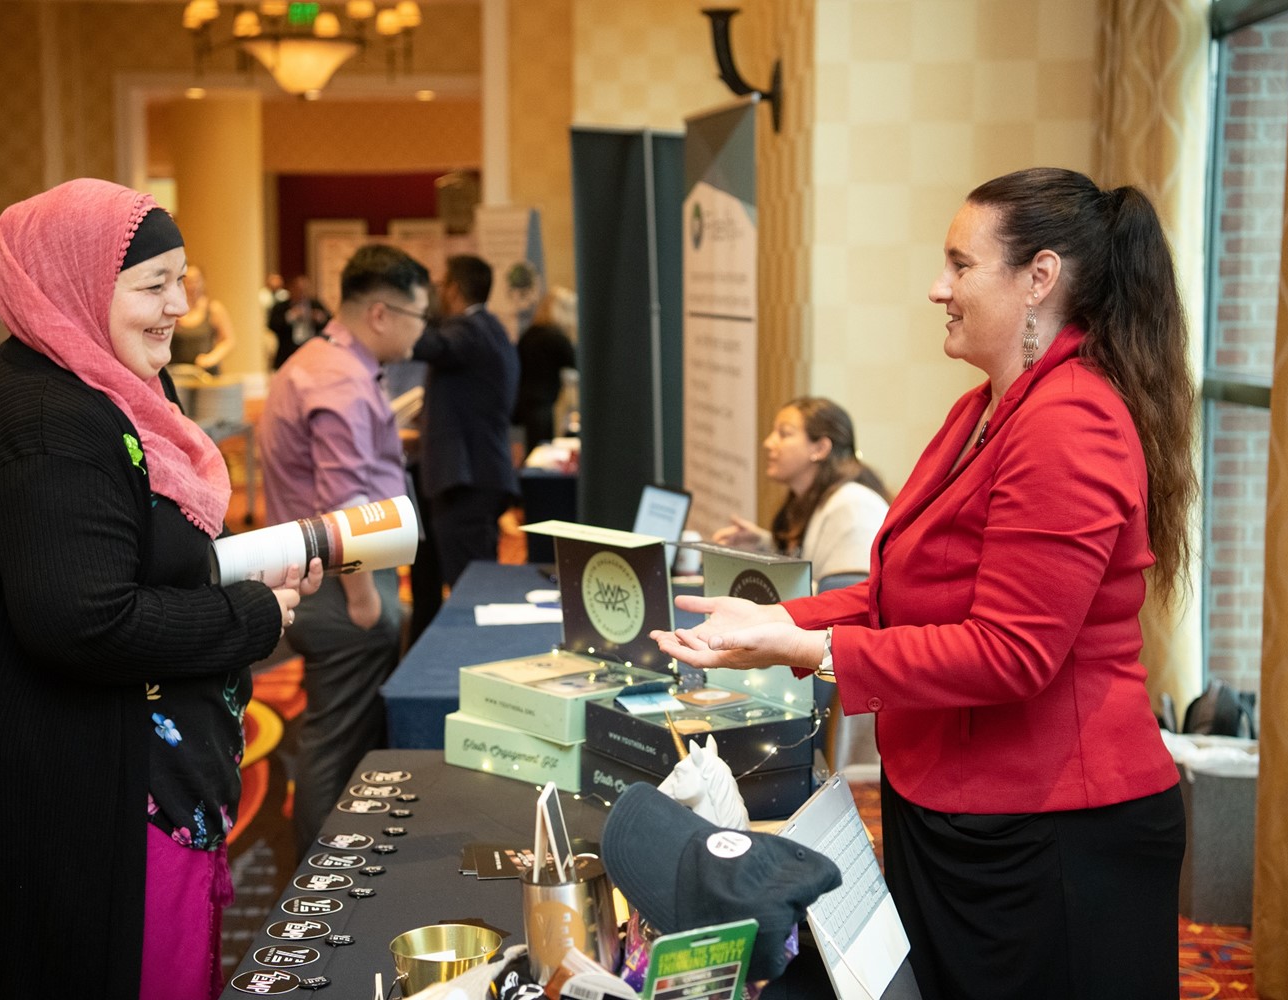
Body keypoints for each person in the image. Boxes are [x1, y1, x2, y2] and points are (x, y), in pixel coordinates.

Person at [652, 168, 1195, 999]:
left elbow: (1011, 654)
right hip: (960, 806)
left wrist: (812, 644)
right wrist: (771, 621)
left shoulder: (1071, 421)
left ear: (1039, 278)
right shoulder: (984, 408)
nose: (937, 288)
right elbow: (903, 588)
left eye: (961, 265)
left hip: (1053, 833)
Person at [0, 179, 321, 1000]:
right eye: (152, 285)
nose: (179, 305)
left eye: (182, 279)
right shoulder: (46, 425)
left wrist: (231, 568)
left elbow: (128, 551)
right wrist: (246, 616)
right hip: (81, 809)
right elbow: (85, 621)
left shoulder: (100, 384)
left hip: (123, 782)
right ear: (75, 283)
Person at [257, 243, 430, 855]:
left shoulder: (320, 360)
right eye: (418, 316)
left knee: (332, 736)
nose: (421, 332)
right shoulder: (341, 379)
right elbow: (345, 502)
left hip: (321, 577)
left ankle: (328, 868)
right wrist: (364, 600)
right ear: (381, 313)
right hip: (339, 585)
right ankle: (325, 875)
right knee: (337, 745)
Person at [412, 254, 519, 589]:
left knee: (470, 590)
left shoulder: (468, 330)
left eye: (441, 286)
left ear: (454, 288)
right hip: (479, 474)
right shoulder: (492, 328)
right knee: (473, 582)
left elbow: (428, 344)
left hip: (465, 481)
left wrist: (409, 309)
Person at [711, 396, 890, 592]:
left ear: (820, 448)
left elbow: (846, 597)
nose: (769, 443)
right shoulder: (807, 499)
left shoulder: (854, 507)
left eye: (784, 434)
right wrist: (763, 544)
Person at [512, 287, 577, 450]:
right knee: (542, 449)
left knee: (535, 450)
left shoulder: (529, 334)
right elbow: (578, 362)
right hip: (541, 403)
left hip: (523, 401)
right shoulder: (555, 338)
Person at [172, 263, 235, 373]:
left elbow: (228, 341)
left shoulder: (213, 309)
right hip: (179, 374)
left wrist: (211, 358)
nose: (192, 286)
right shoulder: (174, 310)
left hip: (206, 375)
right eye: (188, 281)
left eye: (196, 281)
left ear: (203, 282)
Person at [268, 274, 332, 370]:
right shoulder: (281, 307)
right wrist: (290, 317)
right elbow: (272, 325)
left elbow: (331, 322)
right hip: (287, 352)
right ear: (291, 289)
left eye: (305, 290)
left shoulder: (315, 304)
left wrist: (320, 318)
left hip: (312, 351)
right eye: (299, 289)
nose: (302, 293)